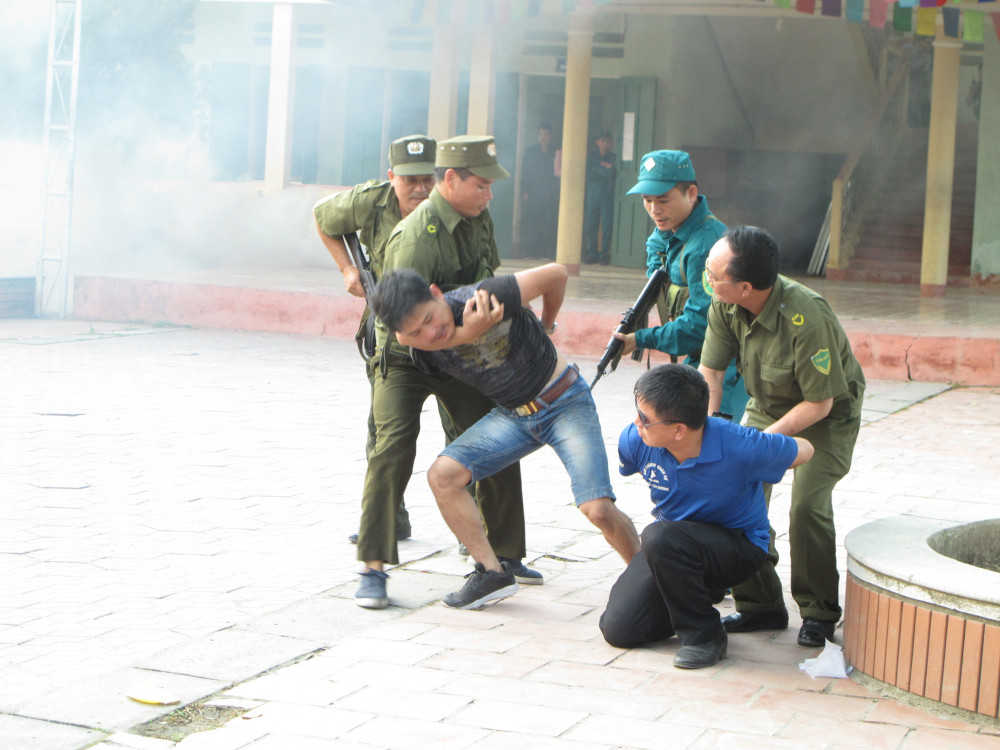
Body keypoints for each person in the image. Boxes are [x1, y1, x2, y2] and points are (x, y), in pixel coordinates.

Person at [370, 262, 640, 609]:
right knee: (443, 476)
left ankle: (650, 577)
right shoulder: (415, 344)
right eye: (415, 331)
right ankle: (492, 572)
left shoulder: (485, 297)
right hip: (514, 417)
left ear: (436, 294)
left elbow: (557, 275)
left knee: (597, 508)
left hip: (564, 402)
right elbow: (408, 336)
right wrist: (466, 334)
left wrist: (546, 323)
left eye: (429, 318)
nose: (431, 333)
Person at [353, 135, 537, 609]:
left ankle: (504, 556)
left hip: (457, 353)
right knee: (392, 447)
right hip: (406, 356)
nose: (489, 195)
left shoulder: (477, 217)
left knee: (497, 439)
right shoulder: (416, 238)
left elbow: (487, 282)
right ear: (450, 180)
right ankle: (373, 567)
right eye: (481, 185)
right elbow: (405, 330)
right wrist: (464, 332)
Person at [698, 225, 866, 648]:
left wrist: (756, 446)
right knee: (736, 491)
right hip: (769, 405)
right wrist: (713, 431)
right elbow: (711, 372)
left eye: (714, 274)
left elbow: (819, 403)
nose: (707, 280)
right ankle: (760, 604)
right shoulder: (724, 302)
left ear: (746, 286)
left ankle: (819, 612)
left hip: (826, 415)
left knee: (806, 506)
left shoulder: (806, 316)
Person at [599, 364, 813, 668]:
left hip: (738, 547)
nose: (637, 423)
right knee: (619, 629)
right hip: (674, 549)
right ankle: (693, 595)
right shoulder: (636, 440)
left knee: (657, 536)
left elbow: (806, 449)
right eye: (637, 413)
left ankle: (705, 637)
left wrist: (765, 448)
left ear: (679, 430)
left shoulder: (739, 444)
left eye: (645, 419)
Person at [313, 134, 442, 544]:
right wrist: (347, 269)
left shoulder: (450, 206)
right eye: (409, 180)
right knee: (387, 436)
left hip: (445, 332)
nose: (419, 189)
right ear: (391, 177)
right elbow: (322, 217)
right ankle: (388, 520)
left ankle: (473, 527)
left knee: (466, 434)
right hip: (390, 335)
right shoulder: (370, 201)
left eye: (427, 179)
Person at [610, 150, 749, 421]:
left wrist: (640, 338)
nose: (655, 210)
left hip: (728, 363)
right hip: (701, 355)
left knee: (710, 436)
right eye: (647, 200)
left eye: (663, 200)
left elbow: (698, 326)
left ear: (691, 193)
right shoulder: (671, 230)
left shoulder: (704, 245)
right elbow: (655, 253)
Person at [519, 122, 560, 260]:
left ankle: (545, 253)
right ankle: (531, 252)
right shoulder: (530, 152)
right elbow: (525, 173)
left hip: (549, 193)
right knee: (532, 222)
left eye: (546, 135)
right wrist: (525, 191)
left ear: (551, 136)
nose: (543, 138)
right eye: (540, 135)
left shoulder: (555, 152)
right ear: (537, 136)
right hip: (533, 193)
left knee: (548, 223)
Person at [582, 130, 617, 265]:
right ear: (597, 142)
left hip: (607, 195)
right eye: (602, 141)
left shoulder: (613, 157)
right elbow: (588, 173)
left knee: (607, 226)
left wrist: (600, 170)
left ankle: (604, 254)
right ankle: (592, 253)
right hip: (593, 195)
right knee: (591, 225)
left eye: (607, 141)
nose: (604, 144)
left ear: (610, 143)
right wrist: (606, 170)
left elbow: (613, 174)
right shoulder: (591, 157)